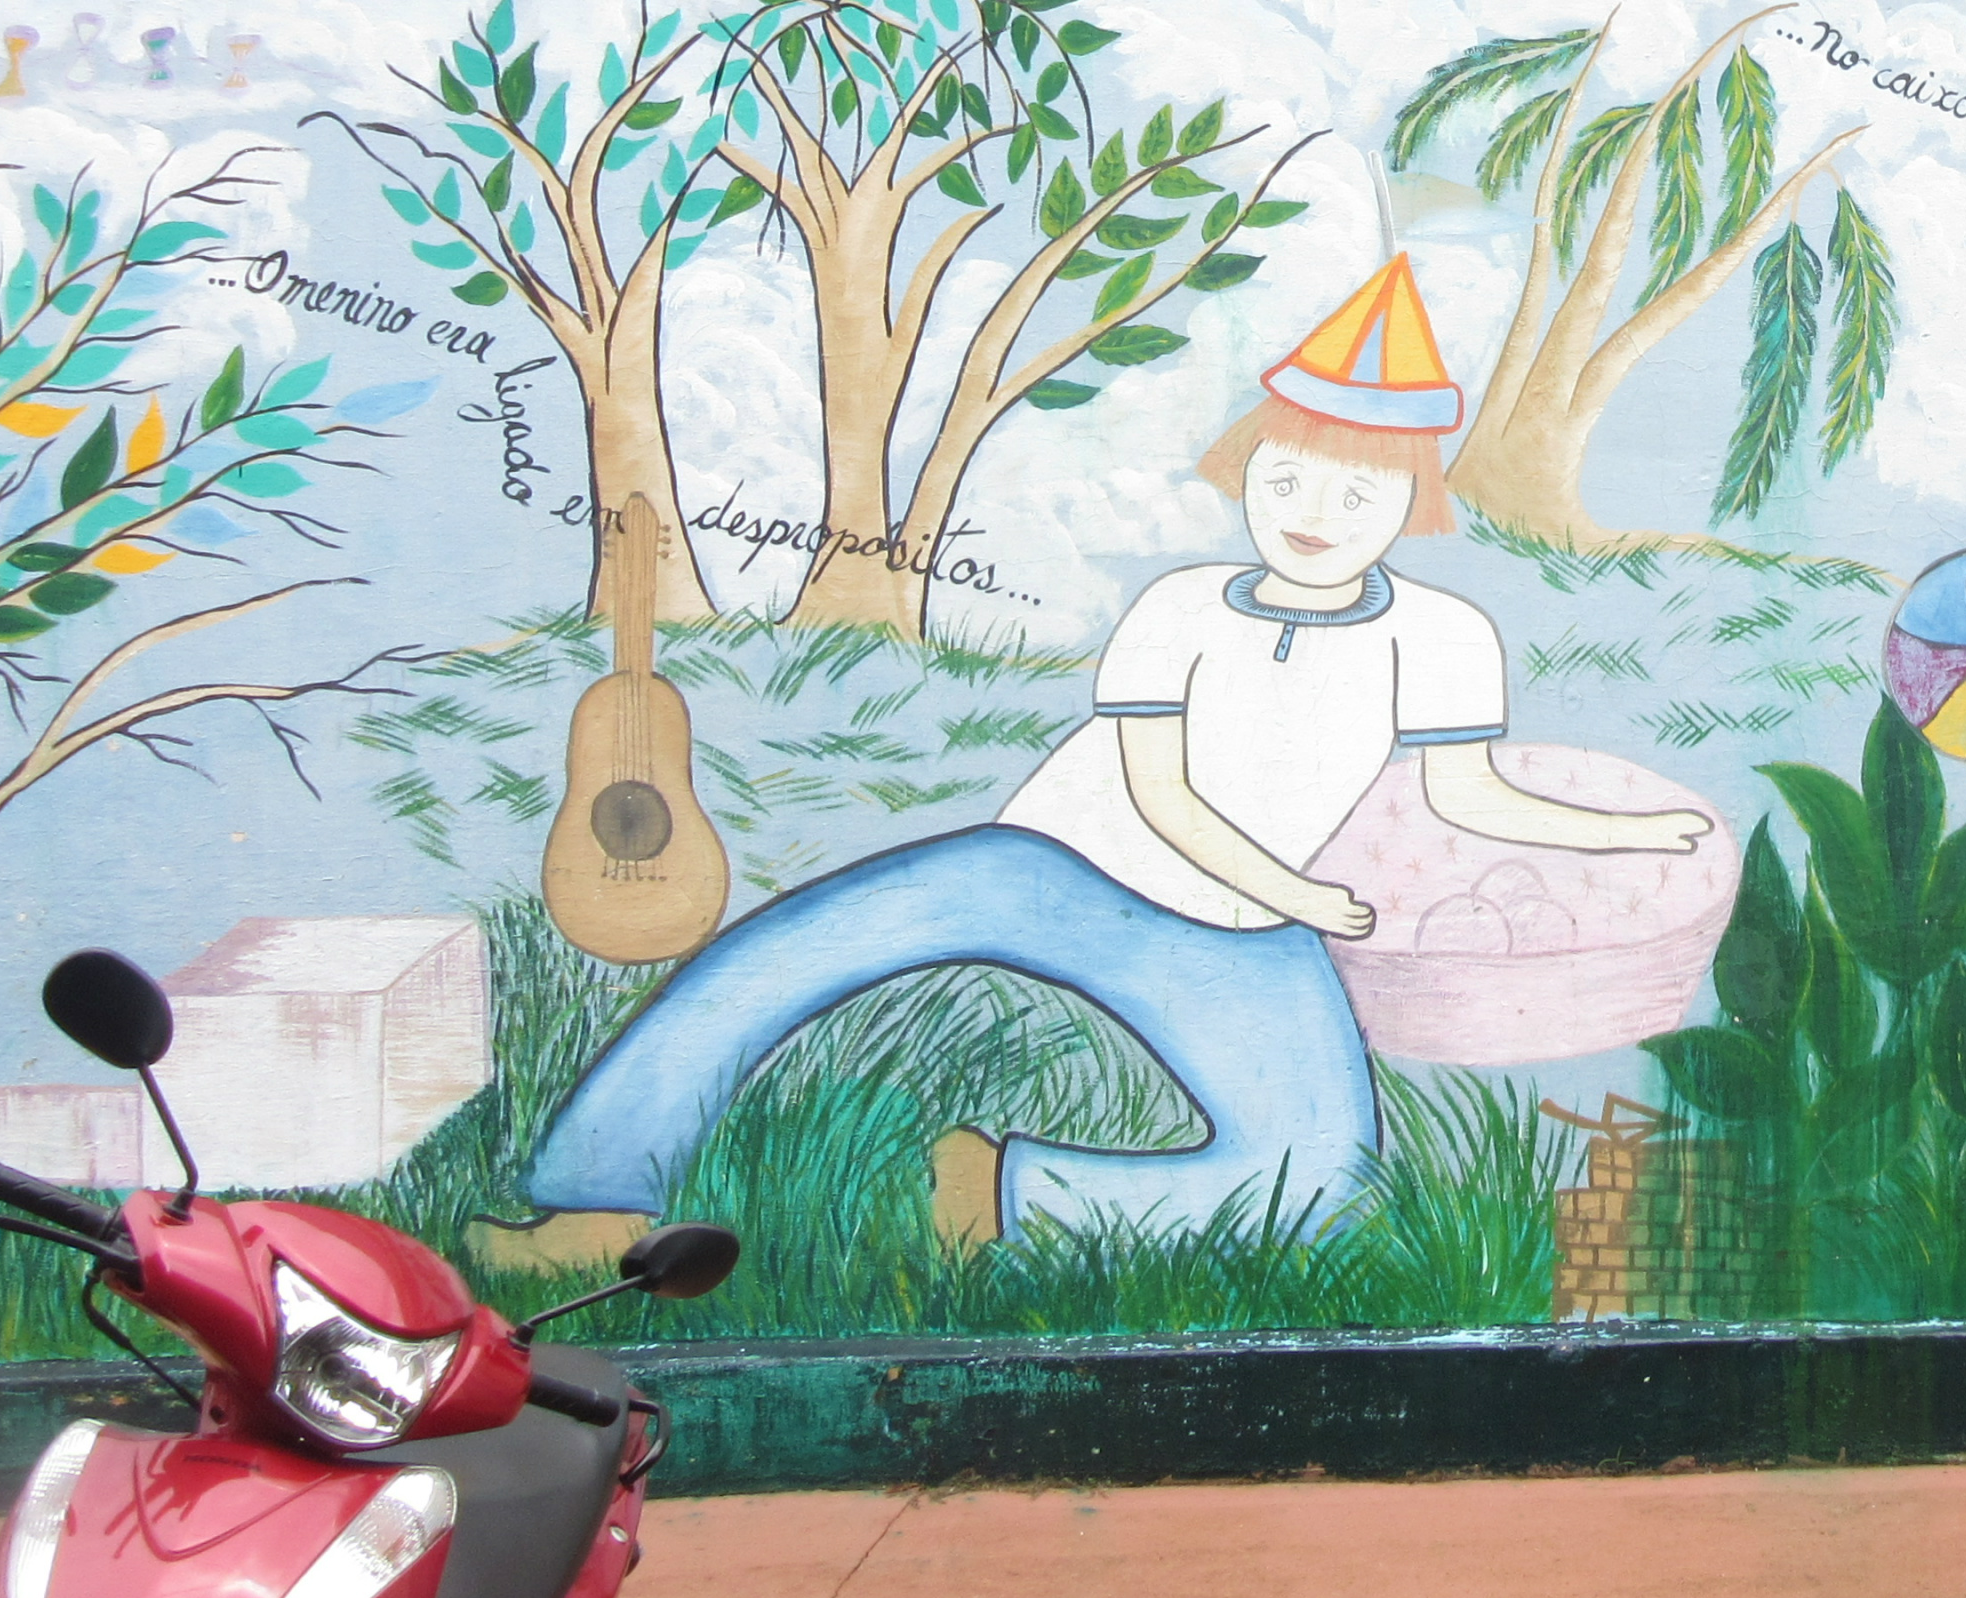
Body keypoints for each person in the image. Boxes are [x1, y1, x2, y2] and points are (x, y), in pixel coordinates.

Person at [467, 254, 1707, 1273]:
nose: (1312, 509)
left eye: (1356, 488)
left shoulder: (1443, 637)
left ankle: (999, 1193)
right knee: (780, 955)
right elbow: (1158, 792)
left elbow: (1469, 794)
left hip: (1226, 930)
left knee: (1322, 1179)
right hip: (1056, 864)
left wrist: (1636, 838)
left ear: (1412, 502)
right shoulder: (1180, 608)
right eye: (1283, 474)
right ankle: (593, 1206)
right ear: (1242, 472)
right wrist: (1295, 893)